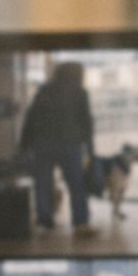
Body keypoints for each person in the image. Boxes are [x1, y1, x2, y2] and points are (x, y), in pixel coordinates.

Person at [18, 61, 97, 238]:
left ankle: (45, 221)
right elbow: (87, 122)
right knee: (76, 184)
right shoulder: (80, 92)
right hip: (70, 144)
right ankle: (80, 222)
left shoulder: (45, 90)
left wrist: (24, 145)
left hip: (43, 144)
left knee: (43, 183)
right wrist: (91, 149)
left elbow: (31, 117)